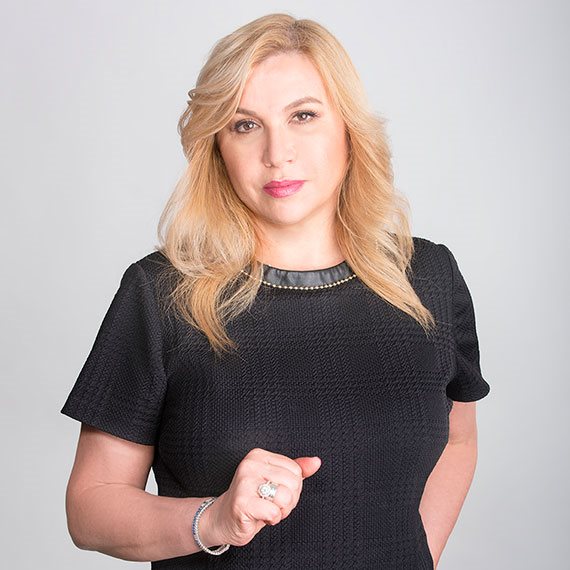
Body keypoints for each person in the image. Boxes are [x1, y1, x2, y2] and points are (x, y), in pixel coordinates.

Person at [60, 12, 491, 569]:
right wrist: (213, 519)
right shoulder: (161, 295)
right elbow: (90, 508)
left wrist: (415, 556)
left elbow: (459, 440)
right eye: (245, 125)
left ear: (348, 128)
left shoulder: (427, 278)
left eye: (303, 116)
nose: (276, 152)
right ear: (217, 146)